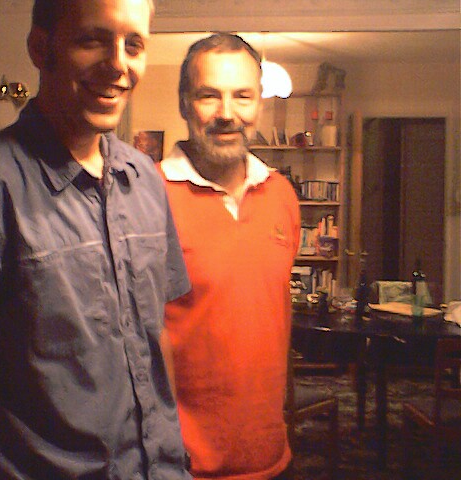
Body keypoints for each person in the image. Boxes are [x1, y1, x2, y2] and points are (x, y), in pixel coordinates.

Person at [0, 1, 193, 479]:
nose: (118, 64)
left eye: (134, 44)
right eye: (92, 40)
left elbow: (155, 337)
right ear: (40, 47)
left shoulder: (145, 180)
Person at [158, 33, 301, 480]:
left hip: (272, 457)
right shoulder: (146, 195)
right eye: (208, 95)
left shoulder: (282, 194)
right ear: (184, 104)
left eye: (242, 96)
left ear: (259, 103)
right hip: (184, 466)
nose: (227, 113)